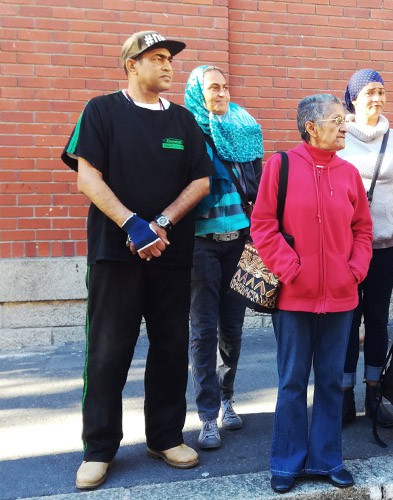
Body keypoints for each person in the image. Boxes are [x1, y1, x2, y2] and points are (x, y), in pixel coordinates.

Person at [60, 31, 213, 490]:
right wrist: (133, 224)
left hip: (170, 256)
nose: (169, 67)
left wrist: (161, 222)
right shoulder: (101, 111)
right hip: (114, 256)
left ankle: (165, 436)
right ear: (131, 65)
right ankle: (99, 449)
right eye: (159, 58)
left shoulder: (185, 122)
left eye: (170, 60)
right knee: (108, 351)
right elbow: (88, 178)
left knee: (171, 348)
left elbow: (201, 182)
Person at [250, 94, 373, 493]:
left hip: (341, 297)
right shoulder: (280, 166)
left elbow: (363, 230)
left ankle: (327, 459)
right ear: (311, 127)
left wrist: (353, 270)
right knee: (291, 382)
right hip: (292, 297)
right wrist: (290, 270)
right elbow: (263, 226)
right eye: (337, 119)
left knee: (332, 381)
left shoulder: (349, 173)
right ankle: (287, 462)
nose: (344, 126)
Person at [183, 65, 264, 449]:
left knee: (232, 328)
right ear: (199, 94)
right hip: (201, 242)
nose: (221, 93)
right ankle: (206, 415)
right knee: (203, 330)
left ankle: (227, 396)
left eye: (225, 86)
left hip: (239, 241)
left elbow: (260, 185)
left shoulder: (244, 127)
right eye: (212, 88)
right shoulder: (188, 129)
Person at [337, 69, 393, 428]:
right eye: (370, 92)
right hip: (343, 250)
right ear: (353, 98)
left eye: (382, 92)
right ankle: (342, 396)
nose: (377, 98)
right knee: (344, 321)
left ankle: (374, 395)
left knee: (376, 319)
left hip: (386, 246)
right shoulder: (338, 135)